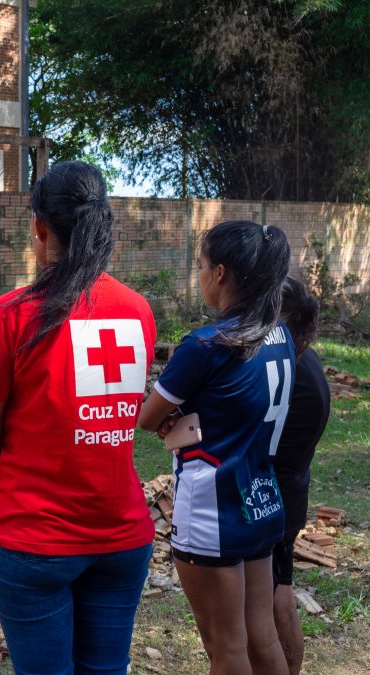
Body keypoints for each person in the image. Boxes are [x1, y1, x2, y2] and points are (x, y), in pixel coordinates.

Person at [0, 160, 157, 675]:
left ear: (39, 229)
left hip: (32, 539)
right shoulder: (138, 310)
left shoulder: (12, 314)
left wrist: (20, 484)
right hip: (122, 535)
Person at [139, 220, 294, 675]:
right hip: (262, 500)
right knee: (260, 635)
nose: (199, 274)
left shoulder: (206, 344)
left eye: (201, 265)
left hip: (213, 510)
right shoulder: (279, 335)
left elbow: (148, 416)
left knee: (225, 648)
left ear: (221, 273)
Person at [271, 276, 330, 675]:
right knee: (280, 588)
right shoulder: (301, 359)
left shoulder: (292, 369)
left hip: (274, 498)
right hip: (290, 493)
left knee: (273, 596)